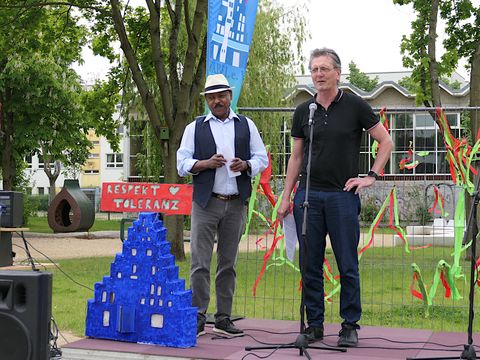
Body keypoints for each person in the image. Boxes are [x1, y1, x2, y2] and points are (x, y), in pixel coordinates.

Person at [277, 48, 393, 347]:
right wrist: (286, 195)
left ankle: (349, 325)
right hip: (308, 198)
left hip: (342, 197)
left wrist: (371, 176)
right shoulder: (305, 111)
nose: (319, 74)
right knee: (309, 263)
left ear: (337, 73)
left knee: (347, 263)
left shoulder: (355, 105)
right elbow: (296, 156)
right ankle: (314, 325)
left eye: (325, 69)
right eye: (314, 69)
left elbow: (386, 142)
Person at [177, 74, 268, 338]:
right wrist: (204, 163)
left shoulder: (246, 125)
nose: (217, 101)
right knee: (200, 263)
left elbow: (261, 157)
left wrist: (247, 165)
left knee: (228, 263)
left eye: (221, 95)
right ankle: (198, 315)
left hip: (236, 202)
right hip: (206, 203)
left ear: (230, 95)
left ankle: (223, 317)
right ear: (206, 100)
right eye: (212, 97)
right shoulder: (194, 127)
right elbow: (181, 163)